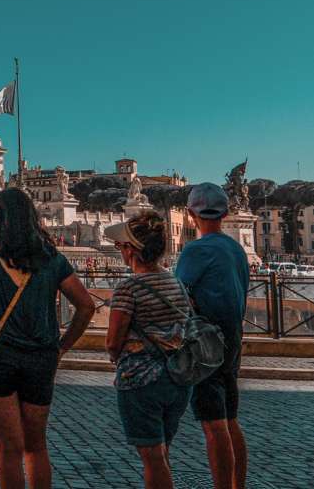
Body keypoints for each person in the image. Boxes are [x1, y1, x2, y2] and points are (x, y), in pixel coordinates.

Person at [0, 188, 96, 489]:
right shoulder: (51, 259)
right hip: (41, 358)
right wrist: (62, 347)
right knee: (36, 446)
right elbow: (86, 305)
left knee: (8, 448)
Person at [104, 213, 194, 489]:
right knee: (162, 451)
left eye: (121, 245)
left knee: (152, 458)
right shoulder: (176, 282)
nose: (119, 250)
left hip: (141, 380)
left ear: (132, 250)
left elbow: (112, 341)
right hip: (178, 378)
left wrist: (117, 357)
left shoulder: (128, 288)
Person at [174, 183, 249, 489]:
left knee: (213, 425)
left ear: (191, 214)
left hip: (206, 345)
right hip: (233, 340)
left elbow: (176, 295)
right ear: (226, 213)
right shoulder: (236, 249)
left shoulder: (196, 249)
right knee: (230, 420)